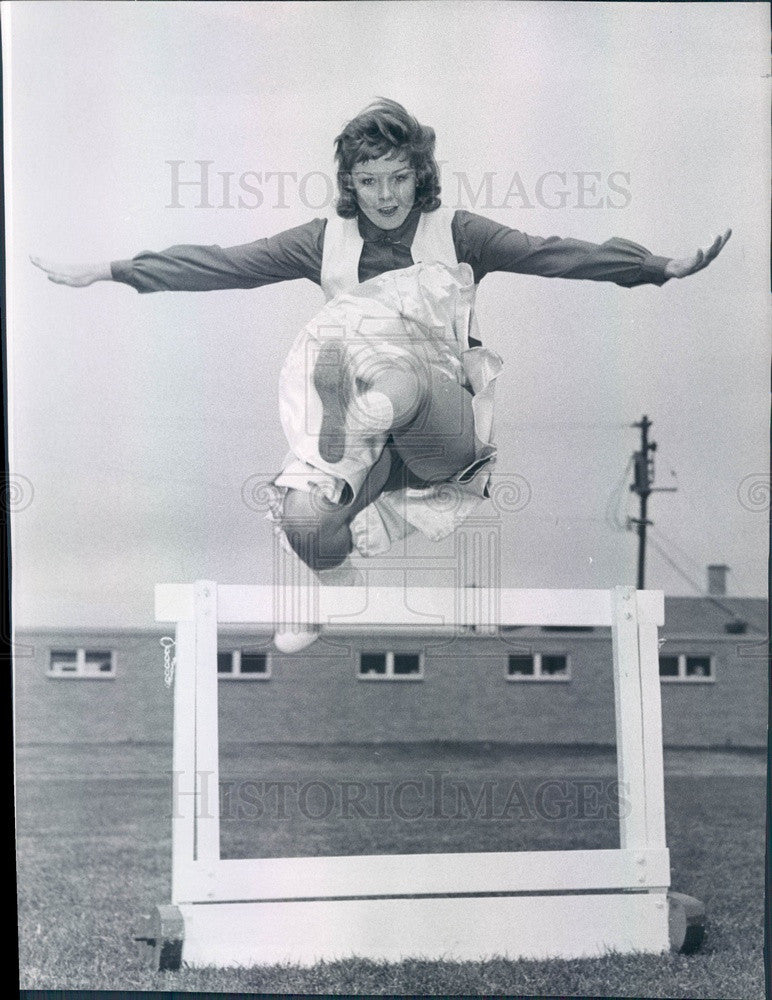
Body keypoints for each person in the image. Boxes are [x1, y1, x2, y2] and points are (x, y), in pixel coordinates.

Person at [32, 99, 730, 651]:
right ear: (349, 184)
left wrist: (655, 268)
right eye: (369, 183)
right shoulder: (323, 242)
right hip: (373, 448)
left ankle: (360, 407)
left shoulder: (458, 232)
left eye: (398, 179)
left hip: (442, 427)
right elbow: (225, 264)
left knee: (391, 367)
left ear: (419, 177)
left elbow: (551, 254)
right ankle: (331, 577)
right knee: (303, 518)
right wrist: (115, 270)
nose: (386, 196)